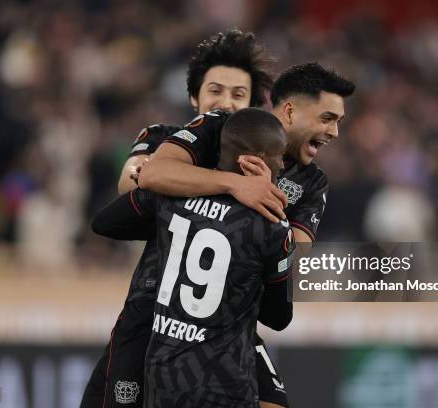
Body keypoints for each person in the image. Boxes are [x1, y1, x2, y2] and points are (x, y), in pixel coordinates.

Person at [80, 29, 280, 408]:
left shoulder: (266, 165)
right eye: (215, 90)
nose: (225, 103)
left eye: (239, 95)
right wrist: (231, 185)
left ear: (254, 106)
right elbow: (133, 181)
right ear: (194, 97)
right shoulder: (163, 139)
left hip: (227, 323)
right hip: (155, 312)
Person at [138, 62, 356, 407]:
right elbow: (152, 176)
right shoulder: (224, 128)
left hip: (233, 324)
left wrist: (268, 209)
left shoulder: (312, 182)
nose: (334, 132)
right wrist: (236, 185)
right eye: (327, 118)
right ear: (289, 110)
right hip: (165, 313)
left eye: (339, 122)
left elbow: (292, 268)